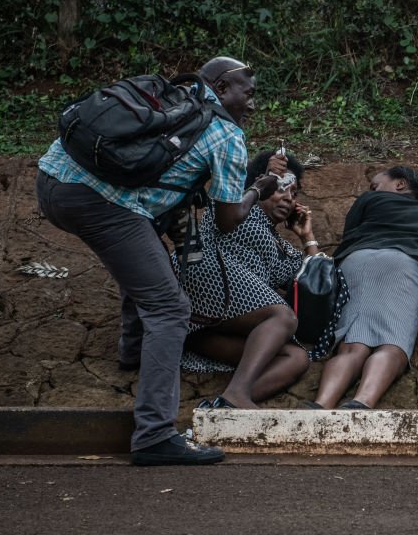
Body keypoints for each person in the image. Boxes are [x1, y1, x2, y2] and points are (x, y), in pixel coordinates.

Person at [36, 57, 276, 465]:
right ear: (220, 86)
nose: (252, 105)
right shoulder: (225, 134)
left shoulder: (168, 98)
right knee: (169, 307)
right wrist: (259, 189)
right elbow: (229, 217)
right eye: (247, 93)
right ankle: (154, 435)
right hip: (103, 203)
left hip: (52, 180)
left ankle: (133, 353)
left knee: (152, 267)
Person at [179, 150, 320, 410]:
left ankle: (224, 404)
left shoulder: (282, 248)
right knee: (283, 317)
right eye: (282, 189)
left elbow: (315, 279)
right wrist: (263, 179)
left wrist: (306, 236)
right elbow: (222, 214)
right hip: (204, 287)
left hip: (217, 330)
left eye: (293, 194)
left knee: (296, 357)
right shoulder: (235, 209)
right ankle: (238, 395)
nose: (288, 199)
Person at [312, 166, 418, 409]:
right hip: (403, 263)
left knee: (353, 344)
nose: (371, 189)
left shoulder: (370, 200)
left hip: (357, 261)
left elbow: (350, 233)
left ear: (400, 184)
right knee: (393, 343)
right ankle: (362, 403)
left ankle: (321, 405)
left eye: (375, 184)